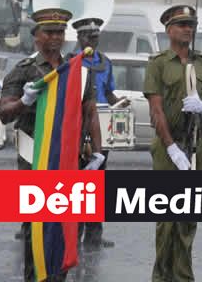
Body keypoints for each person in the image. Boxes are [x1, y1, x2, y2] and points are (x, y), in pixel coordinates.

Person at [0, 8, 104, 282]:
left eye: (59, 32)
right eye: (49, 32)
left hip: (71, 159)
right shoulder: (23, 71)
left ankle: (58, 277)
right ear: (36, 37)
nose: (55, 37)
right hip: (35, 157)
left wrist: (99, 153)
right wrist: (25, 101)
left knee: (67, 225)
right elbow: (4, 113)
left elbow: (90, 111)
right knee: (36, 225)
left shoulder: (77, 70)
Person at [143, 4, 202, 282]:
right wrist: (171, 147)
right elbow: (156, 109)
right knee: (166, 219)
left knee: (187, 218)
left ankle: (184, 277)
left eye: (191, 24)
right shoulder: (158, 63)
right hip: (168, 148)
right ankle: (161, 277)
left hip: (196, 145)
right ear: (169, 30)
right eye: (182, 24)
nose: (188, 29)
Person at [67, 16, 122, 250]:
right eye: (89, 37)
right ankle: (72, 230)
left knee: (97, 182)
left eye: (96, 37)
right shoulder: (69, 61)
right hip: (76, 127)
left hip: (100, 128)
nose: (93, 40)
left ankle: (94, 233)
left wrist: (119, 103)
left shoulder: (106, 62)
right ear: (79, 38)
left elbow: (109, 93)